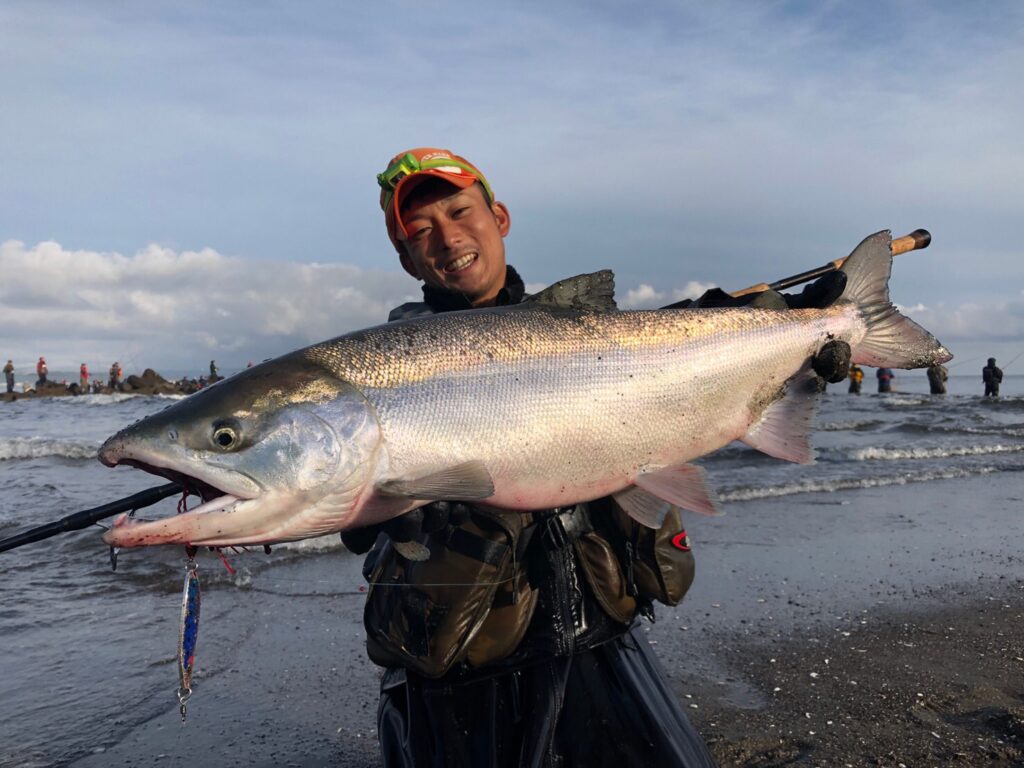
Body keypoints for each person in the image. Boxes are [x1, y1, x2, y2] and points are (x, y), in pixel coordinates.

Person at [342, 147, 851, 768]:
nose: (447, 238)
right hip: (462, 673)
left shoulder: (590, 326)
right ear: (405, 257)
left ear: (498, 216)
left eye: (459, 211)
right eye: (419, 230)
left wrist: (776, 356)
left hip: (601, 638)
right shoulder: (383, 373)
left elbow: (686, 391)